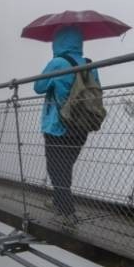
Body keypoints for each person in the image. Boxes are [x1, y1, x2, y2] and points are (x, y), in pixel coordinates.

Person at [33, 26, 101, 226]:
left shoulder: (58, 62)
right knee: (66, 167)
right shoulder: (90, 65)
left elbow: (38, 88)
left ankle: (67, 212)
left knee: (55, 169)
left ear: (59, 42)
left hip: (57, 125)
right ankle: (58, 202)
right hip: (82, 124)